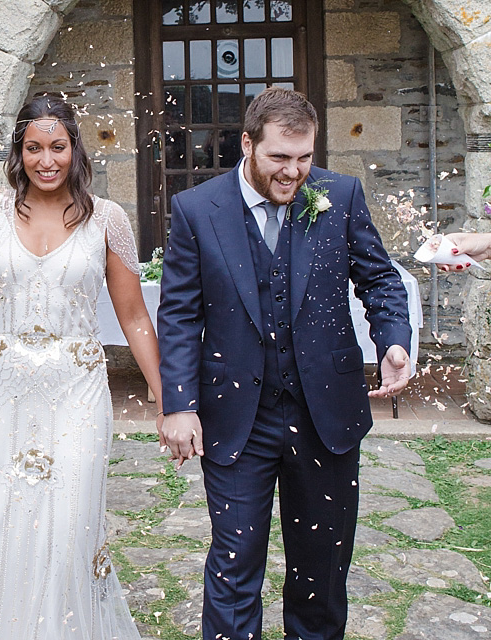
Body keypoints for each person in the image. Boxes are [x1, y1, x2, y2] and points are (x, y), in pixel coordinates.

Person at [157, 87, 413, 640]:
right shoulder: (197, 209)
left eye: (304, 158)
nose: (294, 172)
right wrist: (178, 406)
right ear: (246, 144)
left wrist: (393, 340)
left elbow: (379, 279)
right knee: (234, 563)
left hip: (325, 415)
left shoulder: (339, 196)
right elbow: (178, 315)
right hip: (235, 419)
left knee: (321, 571)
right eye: (279, 157)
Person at [0, 96, 166, 639]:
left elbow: (134, 316)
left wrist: (163, 391)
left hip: (76, 392)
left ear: (75, 148)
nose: (45, 160)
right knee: (2, 519)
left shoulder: (108, 219)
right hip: (1, 391)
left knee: (70, 520)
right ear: (19, 150)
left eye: (57, 147)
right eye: (34, 148)